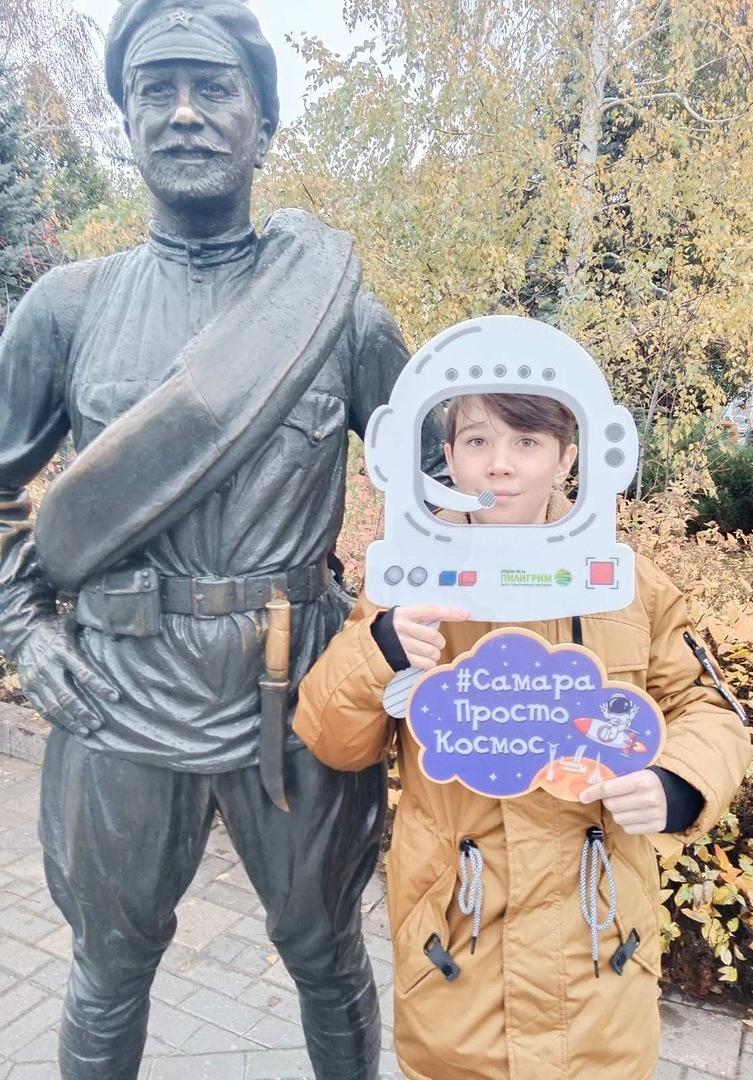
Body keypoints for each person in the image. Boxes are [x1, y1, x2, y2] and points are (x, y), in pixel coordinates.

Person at [0, 2, 444, 1077]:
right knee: (109, 966)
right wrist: (21, 630)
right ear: (128, 123)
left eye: (214, 88)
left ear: (263, 125)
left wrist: (409, 632)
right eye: (156, 91)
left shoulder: (337, 316)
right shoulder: (66, 308)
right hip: (117, 686)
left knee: (324, 953)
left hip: (299, 688)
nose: (185, 113)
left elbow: (448, 488)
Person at [293, 392, 753, 1080]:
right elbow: (332, 739)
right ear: (449, 459)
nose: (500, 465)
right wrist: (379, 647)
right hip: (458, 959)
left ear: (567, 459)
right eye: (478, 441)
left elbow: (708, 708)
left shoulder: (625, 584)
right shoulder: (410, 582)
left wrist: (679, 783)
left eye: (528, 443)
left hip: (602, 962)